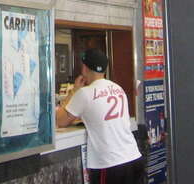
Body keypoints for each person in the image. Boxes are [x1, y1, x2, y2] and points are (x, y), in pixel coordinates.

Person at [56, 48, 143, 183]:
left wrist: (74, 90)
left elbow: (60, 120)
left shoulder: (85, 93)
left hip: (109, 164)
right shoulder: (118, 89)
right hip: (133, 157)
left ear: (84, 69)